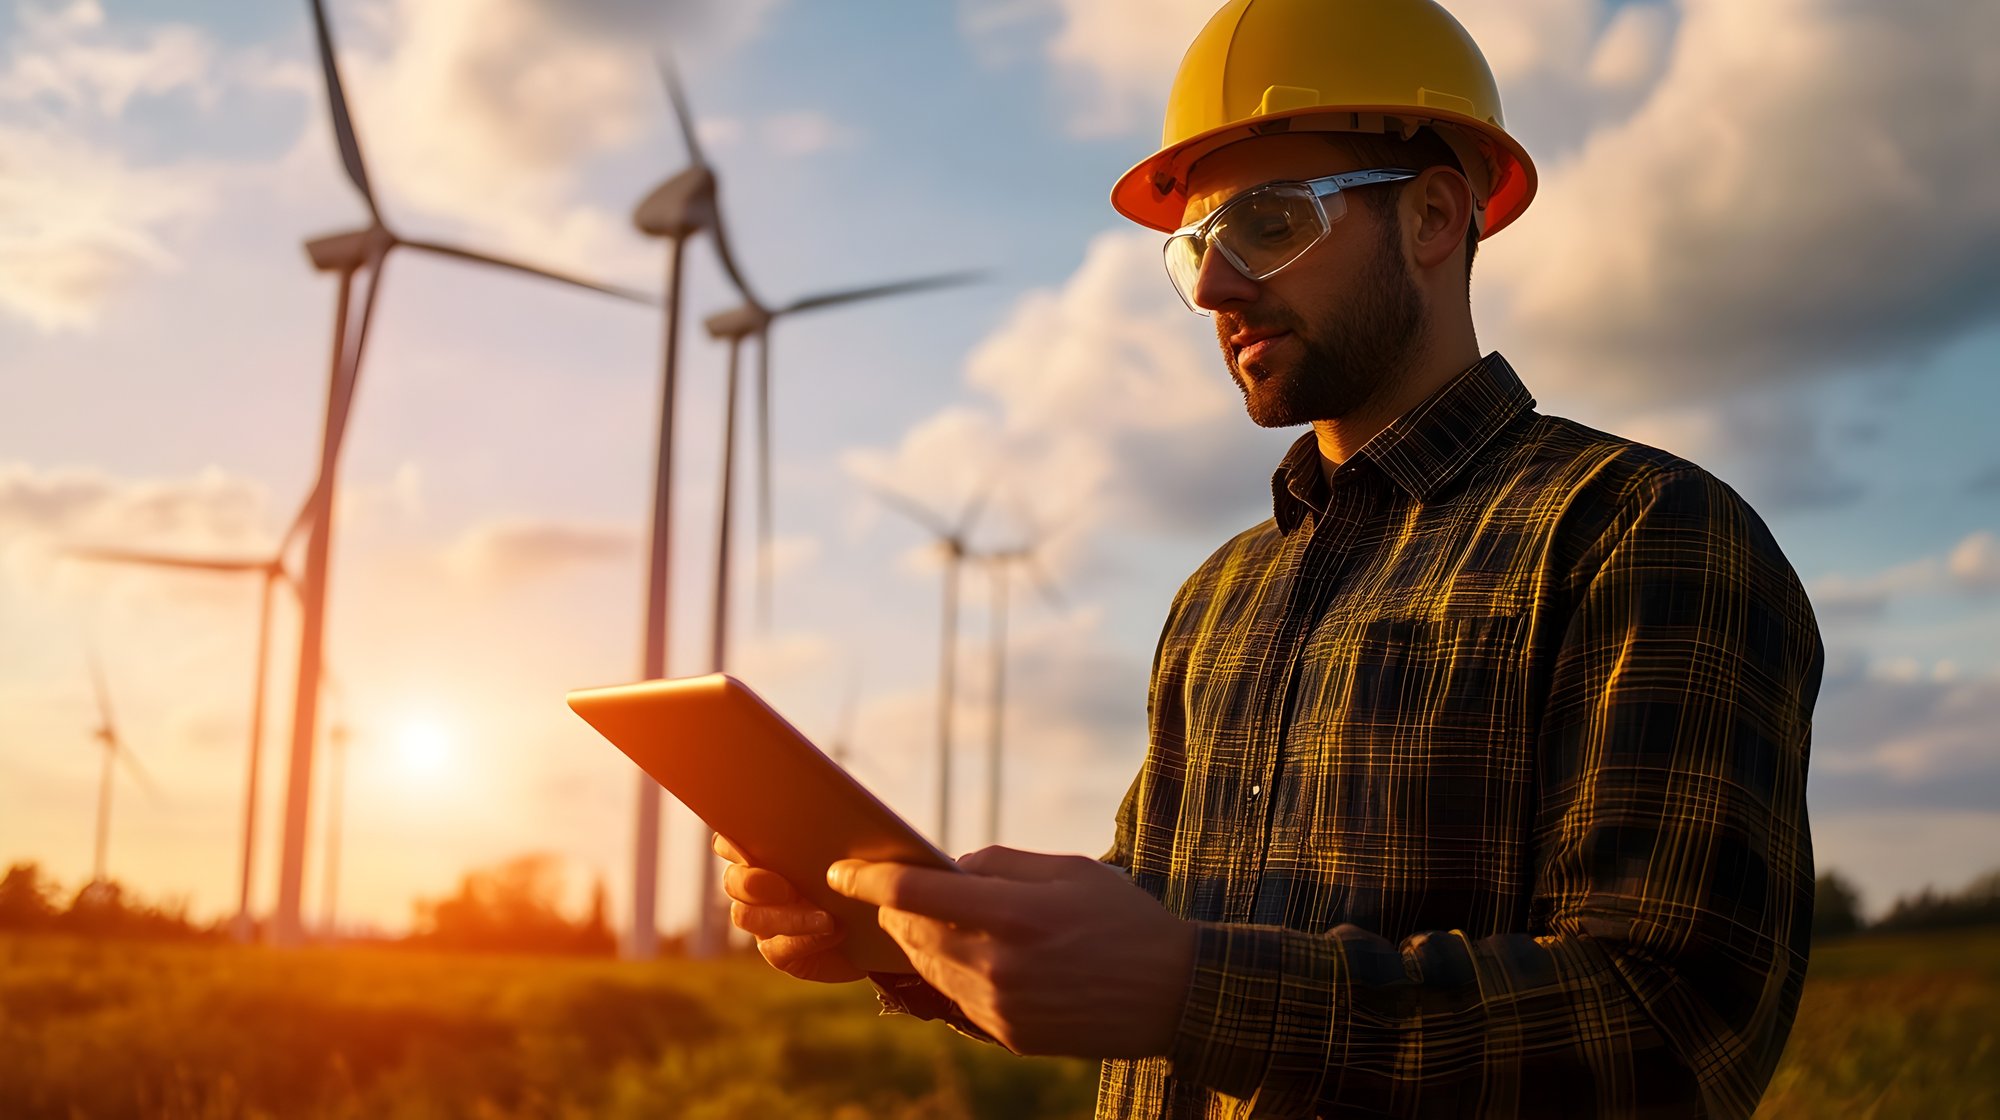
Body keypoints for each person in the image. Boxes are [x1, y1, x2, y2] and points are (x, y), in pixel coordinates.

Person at [718, 0, 1822, 1116]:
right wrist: (901, 930)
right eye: (1195, 246)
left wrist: (1187, 989)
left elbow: (1668, 1023)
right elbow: (1165, 925)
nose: (1213, 287)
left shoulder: (1635, 533)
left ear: (1434, 216)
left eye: (1269, 222)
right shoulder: (1221, 592)